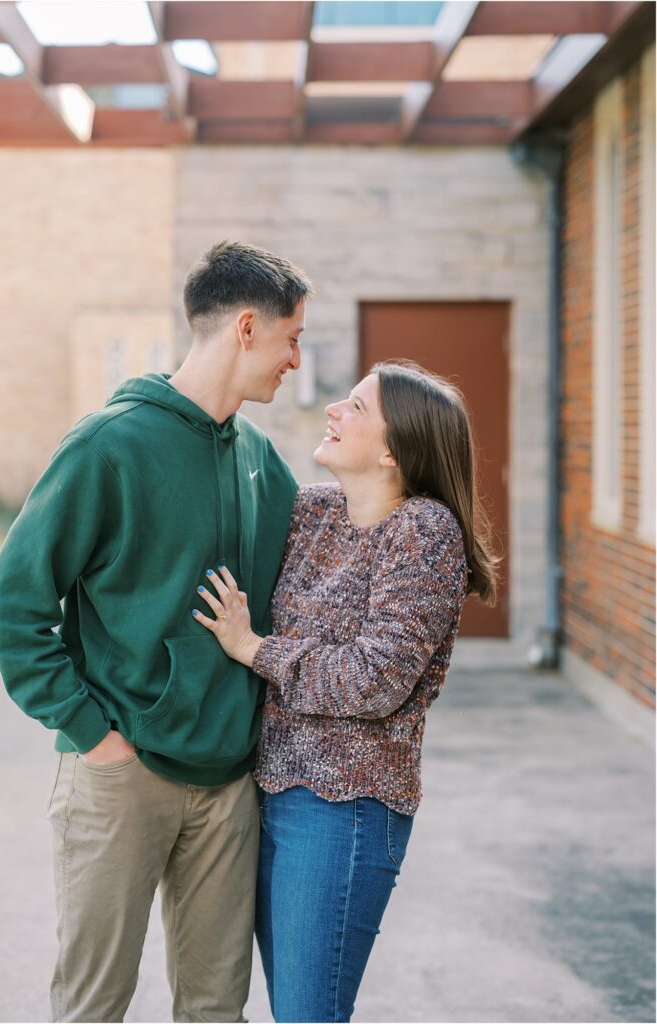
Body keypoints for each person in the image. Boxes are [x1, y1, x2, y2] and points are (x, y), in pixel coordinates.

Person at [0, 241, 312, 1023]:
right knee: (94, 1006)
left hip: (228, 783)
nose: (297, 359)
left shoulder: (263, 459)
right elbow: (15, 604)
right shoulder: (109, 445)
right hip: (119, 775)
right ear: (244, 328)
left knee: (214, 1009)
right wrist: (92, 734)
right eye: (291, 337)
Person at [193, 359, 499, 1024]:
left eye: (357, 407)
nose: (334, 410)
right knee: (287, 1008)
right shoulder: (315, 511)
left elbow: (374, 679)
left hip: (344, 810)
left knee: (308, 1014)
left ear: (393, 450)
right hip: (267, 791)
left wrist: (254, 649)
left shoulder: (423, 531)